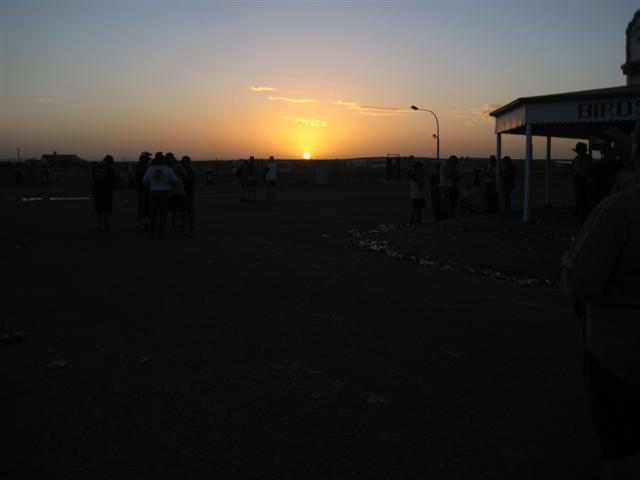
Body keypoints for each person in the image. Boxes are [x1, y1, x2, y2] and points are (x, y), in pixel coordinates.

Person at [560, 180, 640, 479]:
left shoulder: (618, 211)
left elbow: (583, 282)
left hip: (620, 354)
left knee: (622, 447)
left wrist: (567, 261)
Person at [143, 152, 177, 238]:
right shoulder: (168, 169)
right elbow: (174, 181)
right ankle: (160, 233)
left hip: (153, 192)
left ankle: (152, 232)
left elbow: (145, 182)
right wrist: (169, 187)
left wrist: (151, 187)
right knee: (163, 214)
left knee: (153, 213)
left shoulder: (150, 169)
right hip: (165, 192)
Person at [91, 155, 119, 231]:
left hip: (96, 190)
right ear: (110, 161)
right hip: (107, 191)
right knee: (107, 208)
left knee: (98, 208)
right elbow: (116, 179)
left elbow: (92, 177)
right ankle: (106, 225)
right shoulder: (110, 169)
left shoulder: (96, 167)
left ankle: (99, 225)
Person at [166, 152, 188, 232]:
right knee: (174, 211)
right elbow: (167, 179)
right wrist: (174, 170)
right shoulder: (166, 168)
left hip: (180, 191)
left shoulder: (179, 166)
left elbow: (185, 177)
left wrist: (180, 170)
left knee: (183, 210)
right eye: (169, 159)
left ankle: (184, 228)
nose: (171, 160)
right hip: (172, 192)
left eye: (171, 158)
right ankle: (174, 227)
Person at [573, 142, 593, 218]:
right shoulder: (588, 158)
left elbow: (576, 170)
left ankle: (580, 212)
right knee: (584, 197)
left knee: (580, 196)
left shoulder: (578, 158)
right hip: (586, 179)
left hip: (580, 179)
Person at [134, 151, 151, 230]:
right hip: (142, 189)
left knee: (146, 206)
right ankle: (141, 223)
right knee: (142, 207)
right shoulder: (141, 166)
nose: (148, 158)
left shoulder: (144, 166)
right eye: (147, 157)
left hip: (145, 189)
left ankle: (145, 222)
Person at [180, 155, 195, 229]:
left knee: (188, 208)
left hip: (187, 191)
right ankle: (189, 223)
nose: (183, 163)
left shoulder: (188, 170)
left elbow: (188, 180)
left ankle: (189, 223)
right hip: (186, 191)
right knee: (186, 208)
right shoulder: (188, 169)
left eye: (184, 161)